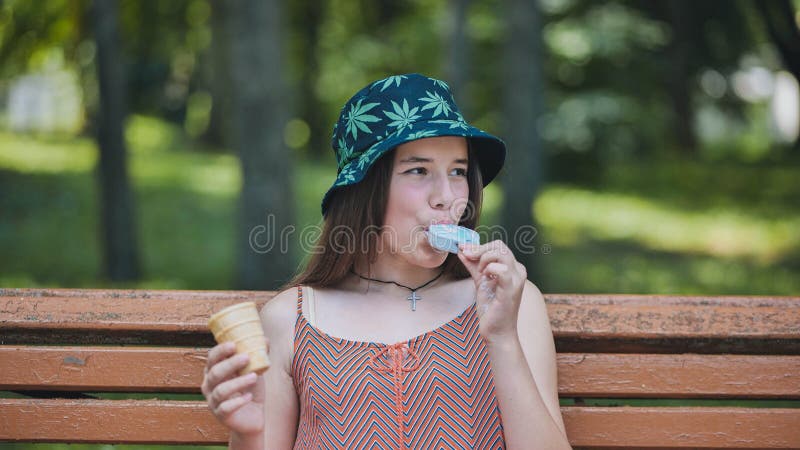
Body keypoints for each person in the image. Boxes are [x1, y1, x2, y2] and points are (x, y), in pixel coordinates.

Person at [202, 73, 571, 449]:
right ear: (364, 188)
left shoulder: (512, 305)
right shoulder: (290, 321)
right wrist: (247, 434)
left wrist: (502, 338)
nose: (447, 197)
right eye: (418, 171)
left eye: (458, 171)